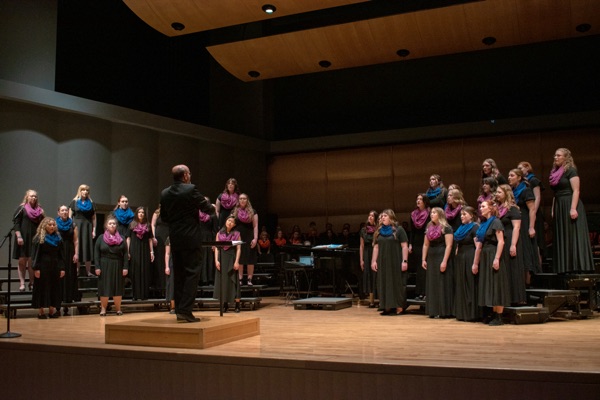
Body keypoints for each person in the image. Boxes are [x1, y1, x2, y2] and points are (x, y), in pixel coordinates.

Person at [160, 164, 214, 323]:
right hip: (191, 238)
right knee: (192, 273)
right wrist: (210, 206)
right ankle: (185, 310)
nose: (190, 176)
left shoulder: (164, 193)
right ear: (184, 176)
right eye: (189, 173)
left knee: (179, 275)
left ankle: (179, 311)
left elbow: (164, 217)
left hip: (175, 238)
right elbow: (207, 208)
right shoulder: (190, 189)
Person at [549, 148, 594, 273]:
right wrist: (553, 208)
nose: (555, 157)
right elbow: (555, 193)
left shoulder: (571, 171)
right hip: (559, 204)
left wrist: (573, 208)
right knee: (562, 234)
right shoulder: (555, 172)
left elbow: (576, 190)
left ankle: (576, 266)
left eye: (558, 155)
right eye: (555, 155)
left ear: (566, 158)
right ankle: (564, 267)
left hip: (569, 203)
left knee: (572, 235)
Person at [473, 201, 509, 326]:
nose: (480, 208)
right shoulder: (484, 223)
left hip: (493, 253)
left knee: (497, 284)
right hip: (485, 255)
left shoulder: (496, 222)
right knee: (490, 285)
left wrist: (497, 258)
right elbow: (479, 244)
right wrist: (476, 263)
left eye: (483, 206)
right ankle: (493, 314)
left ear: (490, 209)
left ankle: (499, 316)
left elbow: (501, 242)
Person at [370, 209, 409, 316]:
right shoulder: (378, 231)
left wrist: (404, 261)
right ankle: (386, 306)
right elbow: (376, 247)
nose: (382, 217)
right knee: (384, 282)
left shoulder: (399, 230)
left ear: (391, 217)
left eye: (385, 216)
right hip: (383, 261)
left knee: (396, 283)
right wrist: (373, 261)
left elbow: (404, 246)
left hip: (395, 260)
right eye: (382, 216)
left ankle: (399, 306)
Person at [508, 168, 540, 289]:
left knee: (527, 250)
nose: (509, 178)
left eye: (512, 175)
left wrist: (531, 227)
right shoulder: (512, 192)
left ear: (519, 177)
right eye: (509, 176)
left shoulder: (526, 191)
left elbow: (532, 209)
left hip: (525, 222)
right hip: (517, 222)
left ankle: (528, 282)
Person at [422, 207, 454, 318]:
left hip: (441, 255)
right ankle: (433, 310)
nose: (431, 214)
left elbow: (449, 245)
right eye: (431, 213)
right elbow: (426, 244)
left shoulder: (446, 228)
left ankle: (442, 311)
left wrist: (444, 261)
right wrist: (423, 259)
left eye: (434, 212)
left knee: (441, 282)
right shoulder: (429, 227)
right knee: (432, 283)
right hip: (431, 257)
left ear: (440, 214)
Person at [495, 185, 524, 305]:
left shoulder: (513, 209)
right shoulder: (498, 208)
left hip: (511, 238)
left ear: (506, 193)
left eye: (499, 192)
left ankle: (515, 298)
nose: (496, 194)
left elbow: (516, 227)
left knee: (513, 268)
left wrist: (513, 245)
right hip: (502, 239)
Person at [31, 217, 65, 319]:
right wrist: (36, 268)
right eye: (49, 225)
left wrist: (62, 268)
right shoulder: (39, 238)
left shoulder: (58, 238)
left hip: (55, 266)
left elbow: (61, 255)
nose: (52, 227)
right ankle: (41, 312)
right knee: (41, 288)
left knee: (54, 288)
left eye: (53, 225)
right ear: (44, 225)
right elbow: (35, 255)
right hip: (42, 266)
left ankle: (51, 311)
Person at [94, 216, 129, 316]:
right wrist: (97, 267)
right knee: (104, 287)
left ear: (116, 225)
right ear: (106, 226)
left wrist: (125, 267)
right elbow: (96, 253)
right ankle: (103, 309)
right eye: (110, 223)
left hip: (118, 264)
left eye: (114, 223)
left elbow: (126, 254)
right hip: (104, 264)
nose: (112, 225)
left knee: (117, 287)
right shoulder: (101, 238)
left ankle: (118, 309)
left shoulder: (122, 238)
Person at [12, 189, 45, 292]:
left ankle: (32, 283)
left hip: (34, 238)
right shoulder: (22, 208)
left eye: (35, 196)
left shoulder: (40, 210)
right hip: (23, 238)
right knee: (22, 261)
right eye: (31, 196)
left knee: (32, 261)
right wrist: (19, 236)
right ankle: (22, 284)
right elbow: (16, 223)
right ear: (27, 197)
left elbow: (42, 224)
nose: (33, 198)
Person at [453, 206, 479, 322]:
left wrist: (475, 263)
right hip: (461, 258)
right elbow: (458, 244)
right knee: (461, 284)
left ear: (471, 216)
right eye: (461, 215)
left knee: (470, 284)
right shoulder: (460, 228)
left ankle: (472, 314)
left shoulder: (474, 227)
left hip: (470, 256)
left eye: (464, 214)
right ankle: (462, 313)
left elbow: (478, 246)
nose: (462, 216)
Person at [518, 161, 546, 265]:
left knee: (536, 241)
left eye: (521, 168)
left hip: (534, 213)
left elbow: (537, 197)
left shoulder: (533, 180)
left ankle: (538, 267)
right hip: (528, 213)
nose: (519, 171)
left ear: (527, 168)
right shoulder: (522, 183)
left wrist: (533, 212)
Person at [214, 215, 242, 313]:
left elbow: (238, 249)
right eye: (228, 220)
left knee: (233, 281)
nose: (229, 222)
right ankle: (225, 304)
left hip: (231, 258)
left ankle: (237, 305)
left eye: (232, 221)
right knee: (223, 281)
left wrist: (237, 261)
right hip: (222, 258)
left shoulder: (237, 234)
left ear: (234, 225)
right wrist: (216, 260)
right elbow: (217, 248)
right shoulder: (219, 233)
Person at [127, 207, 154, 300]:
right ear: (136, 214)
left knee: (145, 271)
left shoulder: (148, 225)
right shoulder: (131, 225)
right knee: (135, 271)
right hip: (134, 250)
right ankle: (135, 295)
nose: (141, 214)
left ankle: (144, 295)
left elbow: (150, 239)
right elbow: (128, 238)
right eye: (139, 212)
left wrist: (152, 251)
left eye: (143, 212)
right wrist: (128, 251)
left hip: (145, 250)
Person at [56, 205, 79, 316]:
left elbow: (76, 240)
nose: (65, 212)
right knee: (59, 276)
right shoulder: (54, 224)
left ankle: (68, 300)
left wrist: (76, 253)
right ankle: (58, 301)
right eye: (62, 210)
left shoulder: (72, 224)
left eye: (66, 210)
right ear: (58, 213)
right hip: (58, 251)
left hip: (70, 251)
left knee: (69, 275)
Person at [69, 184, 96, 277]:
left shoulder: (91, 203)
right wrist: (71, 228)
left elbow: (94, 218)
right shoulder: (74, 202)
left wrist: (94, 230)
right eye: (83, 190)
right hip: (77, 226)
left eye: (87, 190)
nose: (85, 192)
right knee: (78, 246)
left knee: (87, 247)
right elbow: (70, 216)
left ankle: (88, 271)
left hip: (87, 226)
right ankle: (77, 270)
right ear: (80, 191)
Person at [231, 193, 258, 286]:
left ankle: (249, 279)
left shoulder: (253, 211)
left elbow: (255, 226)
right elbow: (231, 224)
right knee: (240, 258)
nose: (242, 200)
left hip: (249, 236)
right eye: (241, 198)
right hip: (238, 237)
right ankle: (240, 279)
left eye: (244, 198)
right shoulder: (235, 211)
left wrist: (255, 238)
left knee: (250, 258)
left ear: (247, 200)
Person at [409, 193, 430, 300]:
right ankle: (419, 292)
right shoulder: (413, 214)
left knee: (425, 267)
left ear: (425, 201)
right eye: (417, 199)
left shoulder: (429, 213)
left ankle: (426, 292)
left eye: (420, 199)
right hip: (417, 242)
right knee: (419, 268)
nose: (418, 201)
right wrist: (410, 244)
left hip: (426, 241)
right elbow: (412, 231)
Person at [359, 210, 378, 308]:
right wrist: (361, 260)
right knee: (369, 276)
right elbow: (361, 246)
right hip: (366, 253)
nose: (370, 217)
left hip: (376, 253)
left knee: (376, 275)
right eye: (369, 215)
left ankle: (380, 299)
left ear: (375, 218)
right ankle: (371, 301)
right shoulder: (363, 230)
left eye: (372, 216)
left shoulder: (378, 229)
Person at [199, 197, 218, 286]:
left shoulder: (213, 215)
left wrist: (214, 243)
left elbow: (215, 230)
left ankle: (210, 279)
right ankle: (201, 279)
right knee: (200, 259)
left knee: (209, 259)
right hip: (199, 238)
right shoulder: (196, 214)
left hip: (209, 238)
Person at [151, 205, 169, 297]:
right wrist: (153, 237)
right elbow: (153, 225)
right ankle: (160, 287)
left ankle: (167, 287)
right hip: (159, 237)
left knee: (168, 260)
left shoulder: (171, 212)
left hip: (168, 236)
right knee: (159, 261)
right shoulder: (157, 213)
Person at [164, 237, 175, 313]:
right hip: (172, 263)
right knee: (172, 284)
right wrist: (167, 266)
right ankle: (173, 306)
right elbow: (167, 254)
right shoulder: (169, 238)